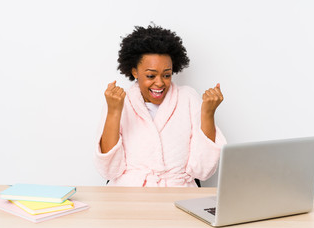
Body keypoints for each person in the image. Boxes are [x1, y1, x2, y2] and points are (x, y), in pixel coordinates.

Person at [94, 24, 226, 187]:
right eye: (150, 75)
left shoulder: (188, 98)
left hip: (179, 194)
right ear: (135, 71)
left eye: (167, 75)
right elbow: (109, 170)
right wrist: (114, 111)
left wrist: (208, 114)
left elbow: (202, 171)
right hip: (128, 195)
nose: (160, 83)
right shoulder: (119, 101)